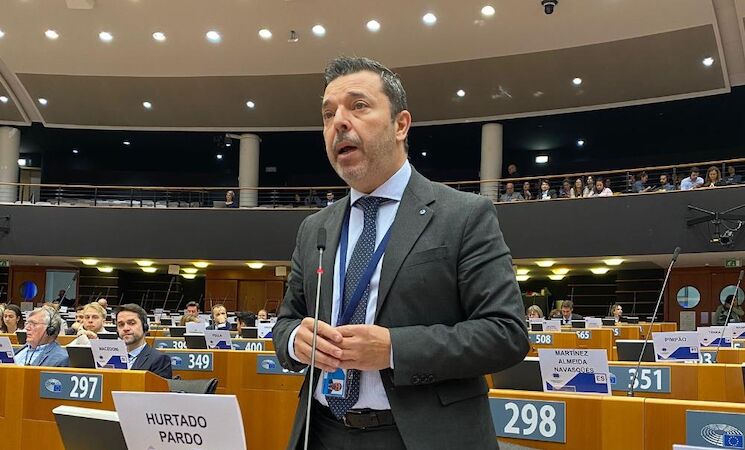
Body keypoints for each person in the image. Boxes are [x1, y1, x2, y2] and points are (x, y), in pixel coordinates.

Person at [273, 56, 528, 450]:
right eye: (328, 114)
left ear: (400, 125)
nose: (339, 122)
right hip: (322, 431)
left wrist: (393, 349)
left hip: (423, 437)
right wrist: (295, 341)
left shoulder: (464, 215)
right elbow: (286, 322)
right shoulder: (315, 228)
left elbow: (506, 333)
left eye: (358, 106)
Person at [115, 304, 172, 378]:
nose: (125, 328)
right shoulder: (110, 357)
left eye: (131, 323)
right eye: (121, 324)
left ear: (145, 326)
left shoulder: (159, 359)